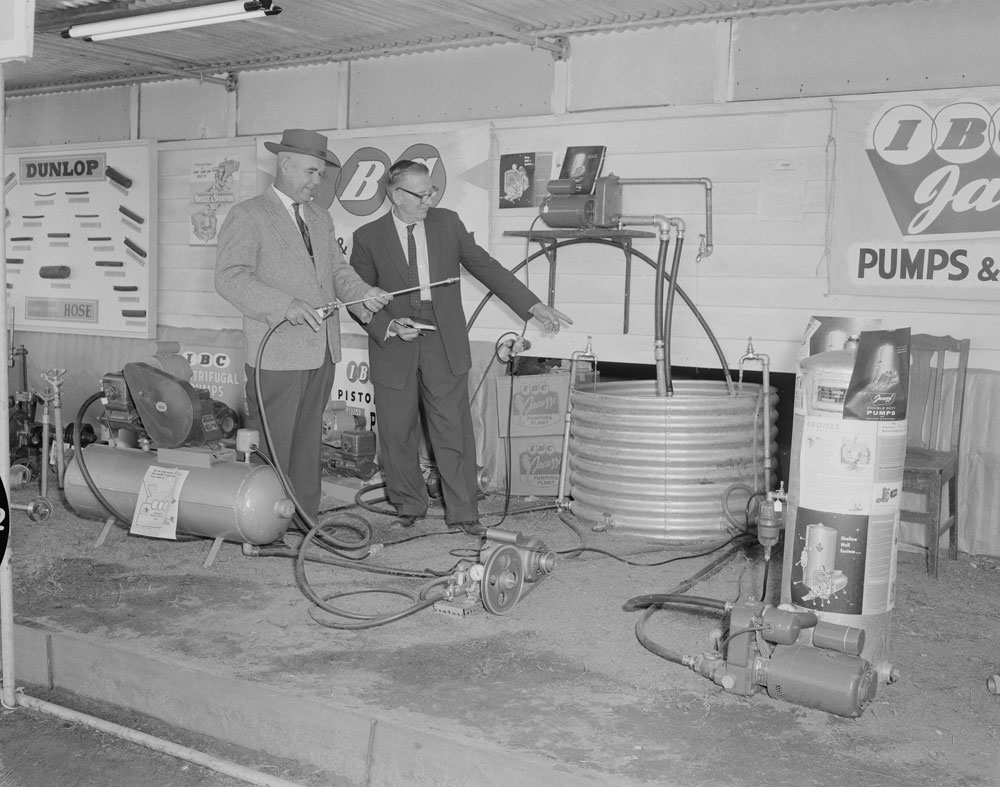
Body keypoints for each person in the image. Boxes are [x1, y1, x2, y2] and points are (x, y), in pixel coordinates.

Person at [350, 160, 572, 533]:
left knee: (453, 427)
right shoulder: (367, 236)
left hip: (443, 341)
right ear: (394, 194)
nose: (428, 200)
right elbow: (356, 296)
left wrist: (533, 305)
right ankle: (409, 503)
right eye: (420, 194)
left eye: (431, 192)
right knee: (396, 429)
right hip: (395, 341)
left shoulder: (447, 223)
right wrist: (388, 325)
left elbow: (486, 267)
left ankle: (464, 511)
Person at [215, 128, 391, 522]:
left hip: (321, 351)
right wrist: (284, 305)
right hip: (275, 353)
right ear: (285, 164)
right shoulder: (248, 215)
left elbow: (337, 272)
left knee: (309, 444)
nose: (317, 181)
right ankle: (263, 520)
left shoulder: (320, 217)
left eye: (321, 174)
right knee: (274, 445)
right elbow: (229, 277)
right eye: (311, 172)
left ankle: (305, 521)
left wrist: (366, 294)